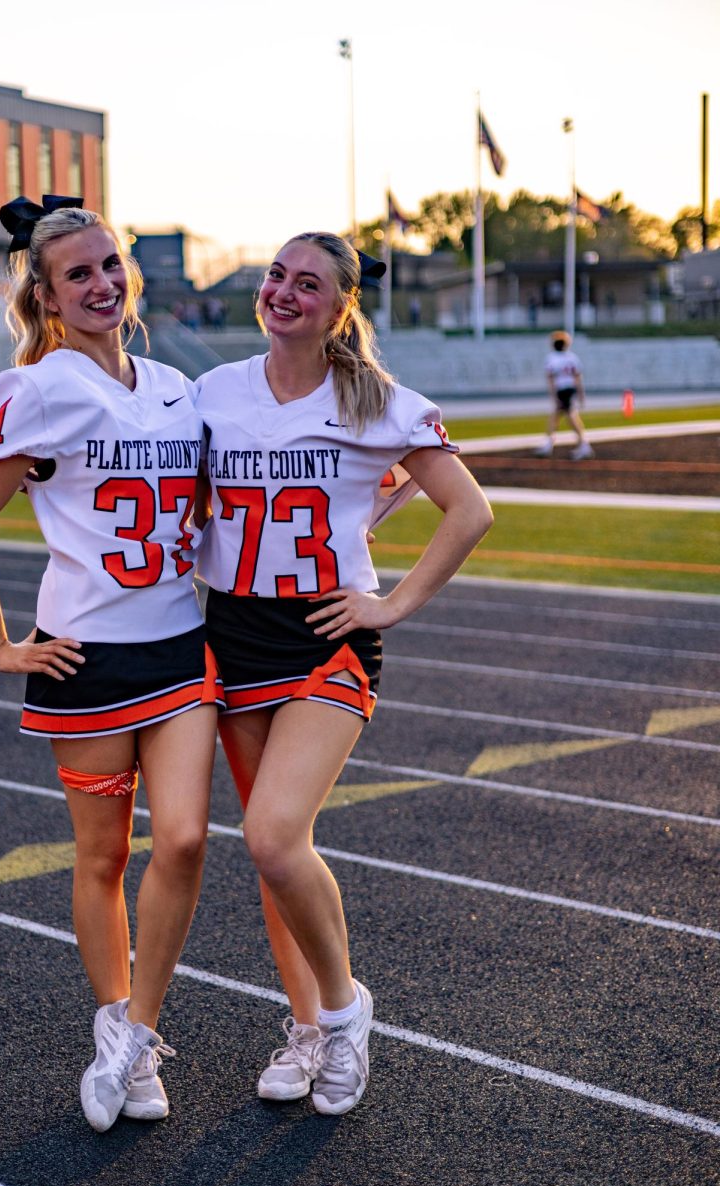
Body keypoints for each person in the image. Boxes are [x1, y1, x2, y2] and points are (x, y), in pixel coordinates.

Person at [194, 232, 493, 1115]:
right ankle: (308, 1026)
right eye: (277, 275)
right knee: (273, 857)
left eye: (308, 283)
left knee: (274, 836)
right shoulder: (212, 392)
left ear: (340, 307)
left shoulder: (376, 401)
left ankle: (345, 1011)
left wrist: (391, 604)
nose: (284, 292)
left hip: (327, 634)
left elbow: (469, 510)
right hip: (234, 630)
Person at [0, 195, 222, 1134]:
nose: (101, 284)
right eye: (78, 274)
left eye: (111, 265)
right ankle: (119, 1025)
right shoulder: (33, 388)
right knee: (104, 855)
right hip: (85, 658)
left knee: (182, 838)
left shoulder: (178, 385)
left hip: (179, 644)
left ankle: (135, 1033)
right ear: (49, 296)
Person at [536, 329, 594, 460]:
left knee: (570, 417)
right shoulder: (572, 357)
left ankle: (583, 445)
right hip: (570, 389)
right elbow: (578, 377)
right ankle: (550, 443)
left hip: (562, 390)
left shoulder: (552, 358)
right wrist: (581, 394)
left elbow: (550, 379)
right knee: (557, 416)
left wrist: (554, 396)